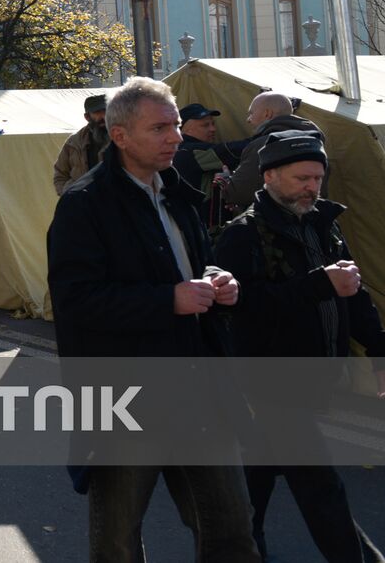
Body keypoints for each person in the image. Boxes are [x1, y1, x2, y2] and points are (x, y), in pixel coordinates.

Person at [47, 76, 257, 562]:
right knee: (118, 542)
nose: (176, 137)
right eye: (160, 128)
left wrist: (218, 282)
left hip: (200, 387)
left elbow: (191, 266)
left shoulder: (177, 193)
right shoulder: (84, 204)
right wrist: (168, 300)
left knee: (231, 529)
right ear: (120, 136)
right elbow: (76, 300)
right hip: (127, 400)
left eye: (176, 125)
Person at [212, 130, 385, 562]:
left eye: (317, 178)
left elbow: (353, 293)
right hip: (268, 383)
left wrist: (379, 352)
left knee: (257, 476)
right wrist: (318, 284)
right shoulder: (242, 235)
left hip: (312, 379)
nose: (311, 187)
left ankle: (239, 550)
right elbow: (241, 309)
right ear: (269, 176)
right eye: (301, 178)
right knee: (320, 486)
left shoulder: (322, 224)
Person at [218, 91, 327, 209]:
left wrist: (226, 180)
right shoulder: (315, 144)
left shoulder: (263, 145)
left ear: (267, 114)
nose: (248, 120)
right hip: (309, 216)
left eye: (251, 113)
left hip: (272, 218)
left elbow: (238, 193)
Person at [53, 94, 109, 195]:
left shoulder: (125, 137)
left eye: (105, 111)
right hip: (83, 201)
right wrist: (68, 195)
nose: (103, 116)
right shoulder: (74, 142)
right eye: (97, 112)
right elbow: (60, 174)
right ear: (87, 117)